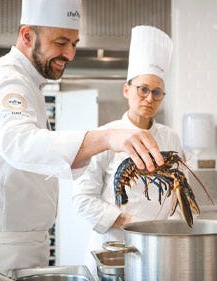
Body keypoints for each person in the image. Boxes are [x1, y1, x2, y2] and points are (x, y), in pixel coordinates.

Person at [0, 1, 164, 278]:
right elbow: (20, 143)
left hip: (19, 242)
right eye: (60, 42)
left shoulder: (29, 82)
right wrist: (107, 137)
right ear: (26, 36)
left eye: (74, 43)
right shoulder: (6, 81)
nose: (69, 54)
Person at [72, 25, 184, 279]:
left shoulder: (171, 138)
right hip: (112, 249)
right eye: (142, 89)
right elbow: (82, 199)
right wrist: (129, 222)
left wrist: (167, 232)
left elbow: (180, 195)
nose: (149, 98)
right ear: (127, 90)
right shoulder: (104, 135)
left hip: (161, 249)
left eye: (157, 92)